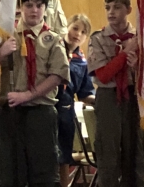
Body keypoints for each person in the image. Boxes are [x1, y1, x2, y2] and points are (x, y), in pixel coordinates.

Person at [0, 0, 70, 187]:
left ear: (46, 9)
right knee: (10, 172)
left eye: (39, 5)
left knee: (43, 174)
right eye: (29, 5)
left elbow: (57, 75)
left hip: (41, 112)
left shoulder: (52, 40)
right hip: (11, 112)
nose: (34, 10)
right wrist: (0, 54)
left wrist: (27, 95)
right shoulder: (7, 37)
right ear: (21, 8)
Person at [87, 0, 144, 187]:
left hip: (133, 95)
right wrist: (124, 55)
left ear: (129, 10)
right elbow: (103, 75)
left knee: (135, 152)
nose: (111, 12)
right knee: (108, 155)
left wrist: (137, 66)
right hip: (108, 98)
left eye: (117, 7)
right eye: (108, 7)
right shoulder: (98, 38)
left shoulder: (139, 38)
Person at [55, 14, 95, 187]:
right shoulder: (53, 49)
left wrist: (102, 100)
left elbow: (85, 93)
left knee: (63, 158)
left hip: (66, 112)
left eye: (83, 32)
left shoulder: (81, 62)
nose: (78, 34)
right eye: (75, 28)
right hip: (47, 107)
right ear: (67, 27)